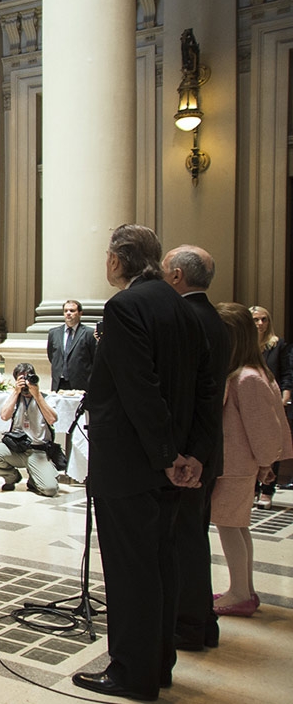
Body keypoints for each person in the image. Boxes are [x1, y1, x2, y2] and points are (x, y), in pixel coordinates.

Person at [72, 224, 215, 701]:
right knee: (161, 564)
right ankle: (158, 665)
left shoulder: (125, 306)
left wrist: (166, 453)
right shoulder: (182, 306)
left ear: (117, 260)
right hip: (168, 463)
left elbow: (138, 389)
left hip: (133, 464)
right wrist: (192, 453)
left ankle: (132, 673)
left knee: (131, 571)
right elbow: (204, 389)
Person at [160, 245, 229, 652]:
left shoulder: (186, 321)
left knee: (182, 540)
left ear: (177, 277)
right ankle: (202, 619)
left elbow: (187, 396)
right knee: (193, 537)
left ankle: (187, 624)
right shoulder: (215, 320)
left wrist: (183, 454)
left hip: (188, 454)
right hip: (204, 449)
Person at [209, 302, 293, 619]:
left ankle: (240, 592)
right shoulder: (251, 373)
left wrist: (266, 462)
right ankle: (243, 588)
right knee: (237, 527)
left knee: (231, 527)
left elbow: (264, 427)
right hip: (239, 464)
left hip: (237, 465)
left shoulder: (247, 378)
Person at [0, 363, 59, 496]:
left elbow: (52, 419)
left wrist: (37, 394)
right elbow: (4, 416)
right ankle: (12, 477)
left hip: (38, 451)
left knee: (50, 490)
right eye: (21, 380)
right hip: (17, 449)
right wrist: (16, 392)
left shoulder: (45, 397)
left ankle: (35, 479)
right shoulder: (15, 398)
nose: (26, 385)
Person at [249, 305, 293, 509]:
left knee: (271, 446)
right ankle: (252, 489)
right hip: (249, 402)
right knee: (250, 446)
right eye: (256, 319)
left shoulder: (277, 345)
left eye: (264, 319)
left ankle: (267, 489)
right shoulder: (245, 346)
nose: (260, 323)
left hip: (272, 401)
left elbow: (286, 374)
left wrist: (284, 399)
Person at [47, 300, 97, 391]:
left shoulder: (89, 333)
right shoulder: (54, 333)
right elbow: (52, 356)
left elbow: (94, 359)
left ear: (80, 313)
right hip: (59, 383)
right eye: (66, 311)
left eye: (72, 311)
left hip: (81, 384)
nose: (68, 313)